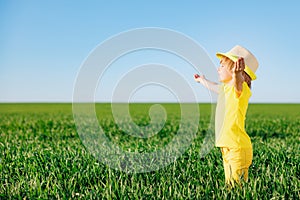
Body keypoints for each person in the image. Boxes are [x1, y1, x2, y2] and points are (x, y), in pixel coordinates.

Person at [194, 45, 259, 186]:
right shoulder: (226, 90)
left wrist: (237, 75)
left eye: (222, 65)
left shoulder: (241, 91)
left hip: (238, 149)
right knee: (230, 186)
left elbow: (238, 84)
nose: (218, 68)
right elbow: (214, 87)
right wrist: (202, 80)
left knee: (237, 188)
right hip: (227, 147)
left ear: (237, 69)